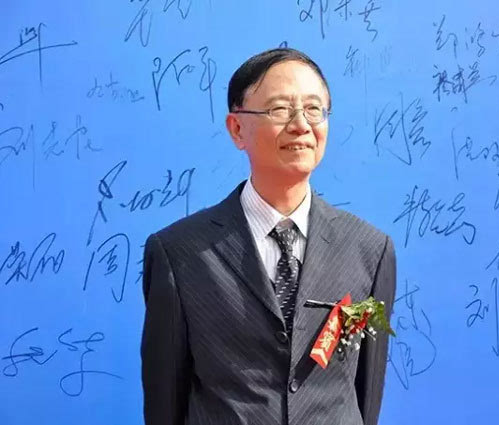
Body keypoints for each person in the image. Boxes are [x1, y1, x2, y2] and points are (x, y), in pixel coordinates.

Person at [141, 47, 397, 425]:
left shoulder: (370, 249)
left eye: (314, 109)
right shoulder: (180, 252)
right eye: (280, 109)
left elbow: (366, 396)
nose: (301, 125)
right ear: (237, 129)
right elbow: (165, 401)